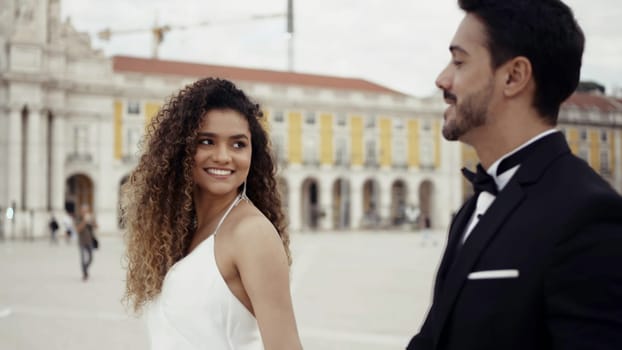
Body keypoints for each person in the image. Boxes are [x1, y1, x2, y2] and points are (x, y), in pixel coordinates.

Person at [407, 1, 622, 349]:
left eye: (459, 61)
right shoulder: (473, 209)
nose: (442, 79)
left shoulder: (589, 216)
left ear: (513, 76)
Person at [121, 78, 303, 350]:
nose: (223, 156)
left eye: (238, 144)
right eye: (206, 141)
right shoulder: (182, 233)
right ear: (181, 149)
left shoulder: (252, 234)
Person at [75, 204, 97, 281]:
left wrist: (92, 221)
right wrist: (84, 221)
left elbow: (96, 226)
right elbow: (77, 229)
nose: (85, 212)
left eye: (86, 210)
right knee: (83, 259)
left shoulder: (90, 218)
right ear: (81, 211)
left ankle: (86, 268)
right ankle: (85, 273)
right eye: (83, 210)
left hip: (90, 241)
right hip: (82, 242)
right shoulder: (78, 218)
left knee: (91, 258)